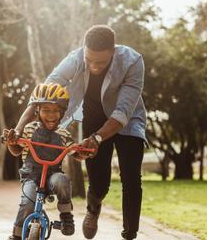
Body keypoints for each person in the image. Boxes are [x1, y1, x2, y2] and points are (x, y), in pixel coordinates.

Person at [12, 25, 146, 239]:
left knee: (131, 177)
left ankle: (130, 233)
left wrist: (98, 138)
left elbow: (123, 112)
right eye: (89, 59)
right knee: (99, 182)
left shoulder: (132, 61)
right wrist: (19, 128)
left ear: (113, 51)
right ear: (84, 50)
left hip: (128, 121)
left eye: (100, 62)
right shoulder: (75, 59)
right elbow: (43, 93)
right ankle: (94, 209)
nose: (93, 66)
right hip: (94, 118)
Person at [3, 83, 88, 240]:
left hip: (52, 177)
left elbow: (75, 152)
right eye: (46, 110)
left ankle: (66, 215)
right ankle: (16, 235)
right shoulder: (29, 129)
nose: (51, 115)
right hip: (31, 177)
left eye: (56, 110)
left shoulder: (63, 133)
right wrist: (11, 142)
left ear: (62, 112)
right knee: (27, 203)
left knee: (62, 180)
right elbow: (16, 151)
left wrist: (83, 152)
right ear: (37, 111)